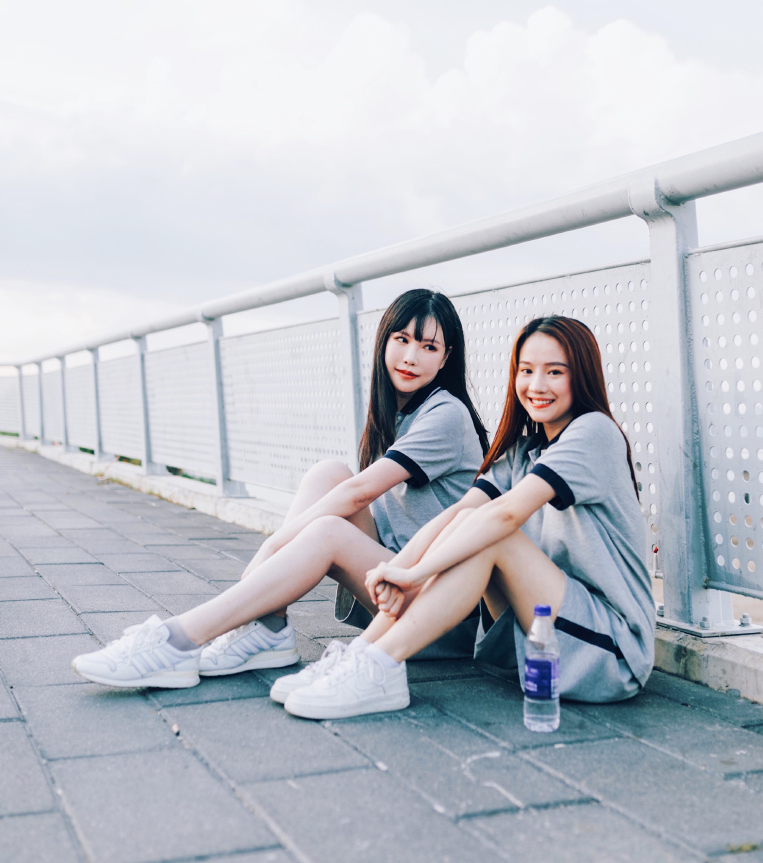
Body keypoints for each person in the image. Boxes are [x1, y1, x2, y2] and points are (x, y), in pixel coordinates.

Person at [71, 289, 488, 690]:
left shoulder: (447, 415)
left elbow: (360, 494)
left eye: (429, 347)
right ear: (384, 342)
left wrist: (273, 545)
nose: (411, 356)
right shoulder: (398, 412)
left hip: (437, 616)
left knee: (329, 529)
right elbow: (352, 492)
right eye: (402, 340)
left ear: (446, 357)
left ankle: (178, 640)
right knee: (329, 473)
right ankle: (269, 627)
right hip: (395, 586)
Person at [280, 315, 656, 720]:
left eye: (555, 372)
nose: (537, 385)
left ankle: (381, 665)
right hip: (542, 630)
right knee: (468, 522)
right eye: (526, 370)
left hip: (612, 651)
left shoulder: (595, 432)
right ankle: (362, 654)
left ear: (581, 376)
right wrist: (400, 569)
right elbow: (458, 513)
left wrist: (415, 574)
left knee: (493, 532)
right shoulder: (522, 452)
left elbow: (506, 515)